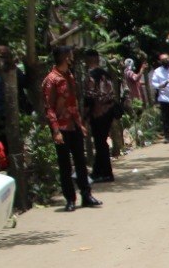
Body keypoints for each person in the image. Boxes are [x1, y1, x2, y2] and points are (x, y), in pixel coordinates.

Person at [41, 45, 101, 212]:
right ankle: (70, 199)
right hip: (61, 127)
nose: (72, 58)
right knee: (65, 165)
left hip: (73, 126)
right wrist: (56, 131)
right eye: (70, 55)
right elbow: (49, 108)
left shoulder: (69, 77)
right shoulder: (51, 80)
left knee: (81, 162)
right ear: (65, 57)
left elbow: (73, 104)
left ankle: (86, 195)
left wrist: (79, 123)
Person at [84, 49, 118, 183]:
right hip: (109, 111)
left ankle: (107, 173)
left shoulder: (90, 76)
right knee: (101, 141)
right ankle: (97, 172)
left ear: (88, 60)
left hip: (98, 113)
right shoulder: (106, 74)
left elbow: (90, 98)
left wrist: (85, 116)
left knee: (100, 143)